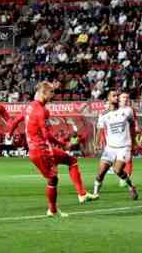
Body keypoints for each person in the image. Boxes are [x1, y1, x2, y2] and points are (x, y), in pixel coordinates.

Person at [9, 82, 95, 216]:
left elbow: (15, 121)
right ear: (44, 93)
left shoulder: (30, 107)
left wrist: (10, 133)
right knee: (53, 179)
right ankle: (53, 209)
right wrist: (62, 144)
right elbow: (45, 134)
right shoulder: (41, 111)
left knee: (71, 160)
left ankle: (81, 194)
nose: (53, 95)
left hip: (35, 149)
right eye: (51, 92)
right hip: (42, 150)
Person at [93, 90, 139, 200]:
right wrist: (96, 143)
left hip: (124, 147)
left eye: (117, 95)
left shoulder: (127, 111)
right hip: (110, 148)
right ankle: (95, 194)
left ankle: (131, 186)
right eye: (113, 95)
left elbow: (132, 126)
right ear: (108, 98)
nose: (116, 97)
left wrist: (134, 142)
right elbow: (99, 130)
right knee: (101, 172)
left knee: (117, 170)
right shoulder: (103, 114)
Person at [118, 92, 137, 187]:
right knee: (117, 159)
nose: (125, 99)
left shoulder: (130, 110)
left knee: (128, 159)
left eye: (127, 97)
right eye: (123, 97)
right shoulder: (115, 109)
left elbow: (134, 124)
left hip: (127, 138)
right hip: (116, 139)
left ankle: (126, 177)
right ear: (119, 98)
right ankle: (122, 175)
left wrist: (134, 139)